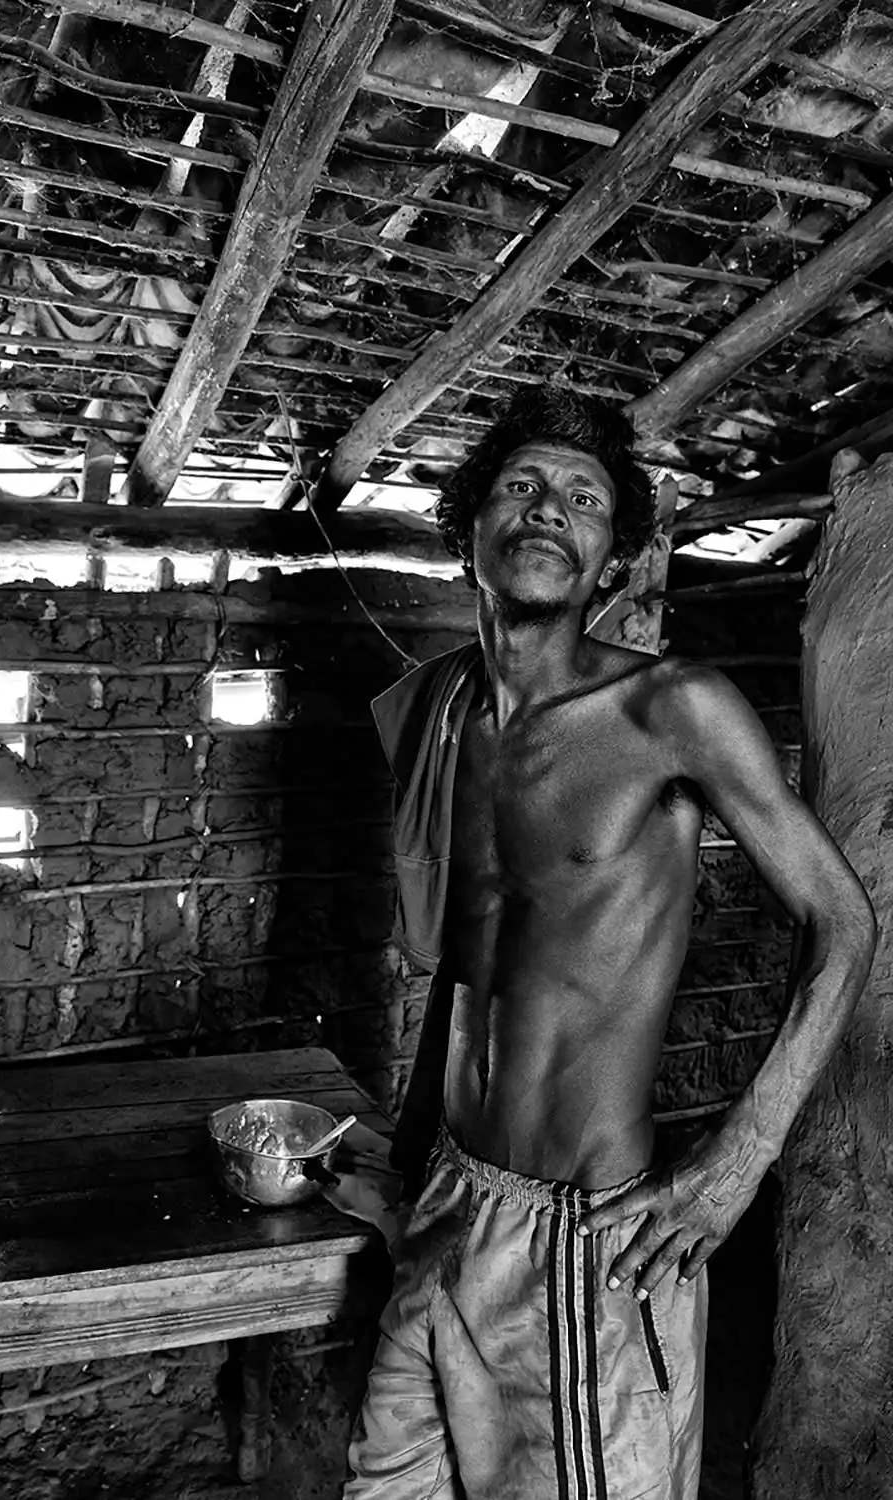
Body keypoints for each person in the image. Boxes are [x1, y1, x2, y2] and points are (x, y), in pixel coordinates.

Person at [340, 385, 877, 1500]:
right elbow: (464, 966)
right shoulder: (441, 712)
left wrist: (734, 1170)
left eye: (583, 500)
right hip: (447, 1201)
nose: (550, 511)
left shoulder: (668, 709)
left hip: (584, 1242)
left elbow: (844, 922)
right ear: (469, 527)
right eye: (523, 486)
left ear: (612, 557)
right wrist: (404, 1174)